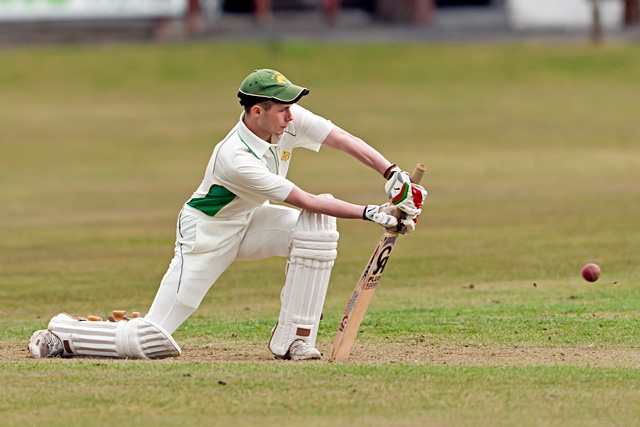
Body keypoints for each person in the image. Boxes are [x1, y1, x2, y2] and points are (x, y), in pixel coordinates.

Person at [28, 69, 427, 361]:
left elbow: (342, 139)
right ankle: (64, 333)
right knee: (151, 339)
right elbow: (303, 198)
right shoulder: (235, 158)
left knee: (317, 231)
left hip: (250, 221)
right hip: (207, 234)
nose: (292, 117)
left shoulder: (285, 120)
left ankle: (295, 338)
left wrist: (392, 174)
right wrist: (374, 213)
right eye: (283, 110)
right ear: (257, 112)